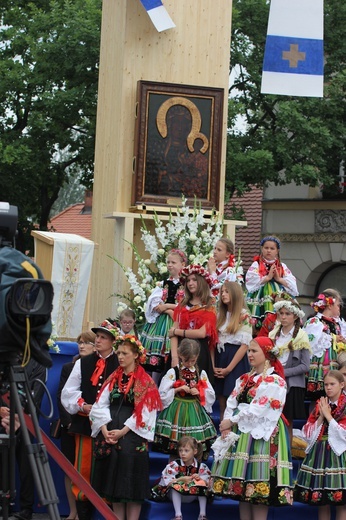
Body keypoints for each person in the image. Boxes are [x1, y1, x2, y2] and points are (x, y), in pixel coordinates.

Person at [210, 336, 293, 520]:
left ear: (267, 355)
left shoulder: (274, 381)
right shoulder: (245, 378)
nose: (250, 354)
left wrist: (231, 421)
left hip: (261, 434)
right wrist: (226, 423)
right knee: (243, 487)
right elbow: (232, 401)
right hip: (241, 432)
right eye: (249, 350)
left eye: (254, 351)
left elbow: (259, 407)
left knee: (257, 488)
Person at [89, 335, 161, 520]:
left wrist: (123, 430)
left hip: (132, 435)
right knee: (115, 485)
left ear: (136, 355)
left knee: (131, 483)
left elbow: (146, 411)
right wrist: (104, 429)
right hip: (111, 432)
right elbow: (100, 404)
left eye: (125, 353)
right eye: (118, 352)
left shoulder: (145, 382)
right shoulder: (114, 378)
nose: (120, 356)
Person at [61, 320, 119, 520]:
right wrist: (83, 405)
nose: (98, 340)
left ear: (113, 341)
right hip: (85, 423)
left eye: (103, 337)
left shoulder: (120, 362)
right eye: (97, 336)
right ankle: (84, 514)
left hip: (110, 426)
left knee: (108, 468)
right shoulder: (83, 363)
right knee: (83, 468)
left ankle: (106, 513)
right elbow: (68, 392)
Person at [153, 339, 217, 461]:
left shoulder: (201, 373)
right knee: (175, 446)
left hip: (195, 411)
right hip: (176, 412)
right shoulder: (174, 372)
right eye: (185, 360)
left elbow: (210, 393)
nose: (188, 363)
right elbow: (162, 393)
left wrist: (199, 392)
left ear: (197, 357)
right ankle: (172, 473)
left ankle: (194, 473)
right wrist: (177, 389)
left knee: (194, 446)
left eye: (192, 360)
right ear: (180, 355)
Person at [295, 370, 346, 519]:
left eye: (332, 384)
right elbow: (307, 432)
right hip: (321, 453)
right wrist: (321, 416)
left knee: (341, 501)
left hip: (341, 455)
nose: (328, 388)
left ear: (341, 385)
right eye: (326, 384)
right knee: (322, 501)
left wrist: (329, 416)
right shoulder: (321, 404)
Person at [56, 330, 95, 520]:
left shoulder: (99, 367)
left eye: (86, 342)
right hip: (70, 425)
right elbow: (61, 396)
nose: (82, 345)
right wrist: (69, 422)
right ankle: (72, 511)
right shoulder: (67, 367)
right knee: (70, 468)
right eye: (80, 342)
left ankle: (85, 511)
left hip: (90, 426)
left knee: (86, 469)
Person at [268, 295, 311, 444]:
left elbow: (305, 366)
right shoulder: (274, 334)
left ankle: (286, 457)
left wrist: (283, 372)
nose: (284, 317)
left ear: (295, 317)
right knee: (271, 420)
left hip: (291, 384)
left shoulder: (302, 336)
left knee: (287, 423)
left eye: (287, 314)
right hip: (273, 380)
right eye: (281, 313)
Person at [168, 264, 218, 385]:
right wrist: (174, 356)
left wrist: (177, 331)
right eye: (188, 281)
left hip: (199, 352)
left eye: (194, 280)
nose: (190, 283)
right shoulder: (181, 305)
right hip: (181, 350)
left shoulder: (209, 306)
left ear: (202, 282)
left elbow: (202, 333)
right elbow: (172, 333)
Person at [141, 249, 186, 378]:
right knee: (155, 357)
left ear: (183, 264)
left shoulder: (186, 283)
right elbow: (153, 302)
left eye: (173, 262)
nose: (170, 265)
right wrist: (167, 310)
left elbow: (186, 304)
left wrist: (168, 306)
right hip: (161, 322)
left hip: (178, 321)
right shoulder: (163, 283)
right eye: (168, 262)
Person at [214, 281, 252, 420]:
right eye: (222, 292)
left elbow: (244, 345)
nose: (223, 294)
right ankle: (223, 433)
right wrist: (214, 365)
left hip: (235, 360)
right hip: (220, 356)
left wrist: (228, 369)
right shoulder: (220, 315)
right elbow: (213, 341)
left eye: (227, 291)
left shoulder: (244, 315)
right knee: (222, 400)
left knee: (233, 398)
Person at [245, 235, 298, 334]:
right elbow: (251, 279)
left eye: (272, 248)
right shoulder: (256, 264)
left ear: (277, 251)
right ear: (262, 249)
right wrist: (267, 278)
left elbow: (291, 283)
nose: (268, 251)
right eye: (266, 248)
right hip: (259, 294)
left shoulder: (282, 266)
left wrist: (278, 279)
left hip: (278, 292)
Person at [151, 435, 211, 520]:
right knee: (176, 486)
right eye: (180, 450)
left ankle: (202, 515)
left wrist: (200, 479)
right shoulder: (174, 465)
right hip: (174, 495)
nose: (183, 453)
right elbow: (166, 482)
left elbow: (209, 482)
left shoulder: (201, 466)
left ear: (194, 451)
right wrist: (181, 479)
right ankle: (178, 515)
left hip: (191, 495)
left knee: (202, 484)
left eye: (186, 451)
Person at [304, 289, 346, 400]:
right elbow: (310, 341)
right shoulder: (315, 322)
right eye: (338, 305)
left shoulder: (338, 324)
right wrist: (333, 338)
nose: (339, 308)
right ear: (330, 305)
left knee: (333, 396)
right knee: (319, 396)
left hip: (335, 363)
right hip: (321, 365)